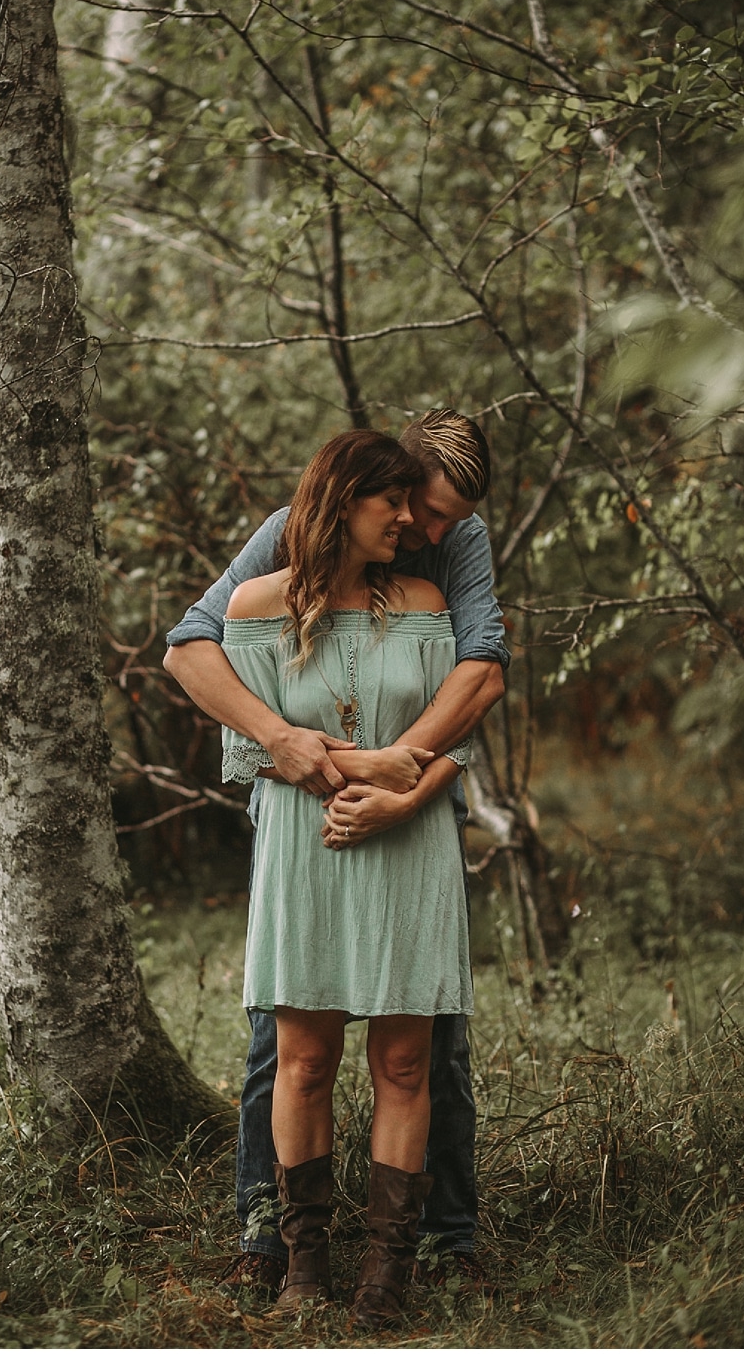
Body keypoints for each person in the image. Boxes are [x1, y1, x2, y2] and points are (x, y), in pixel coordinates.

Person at [165, 409, 506, 1299]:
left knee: (426, 1054)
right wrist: (344, 754)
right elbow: (195, 657)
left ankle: (433, 1242)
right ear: (362, 494)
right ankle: (276, 1244)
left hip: (413, 833)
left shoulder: (450, 556)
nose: (425, 530)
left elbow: (479, 682)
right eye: (412, 506)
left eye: (436, 517)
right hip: (305, 836)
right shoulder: (275, 557)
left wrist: (406, 783)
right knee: (286, 1053)